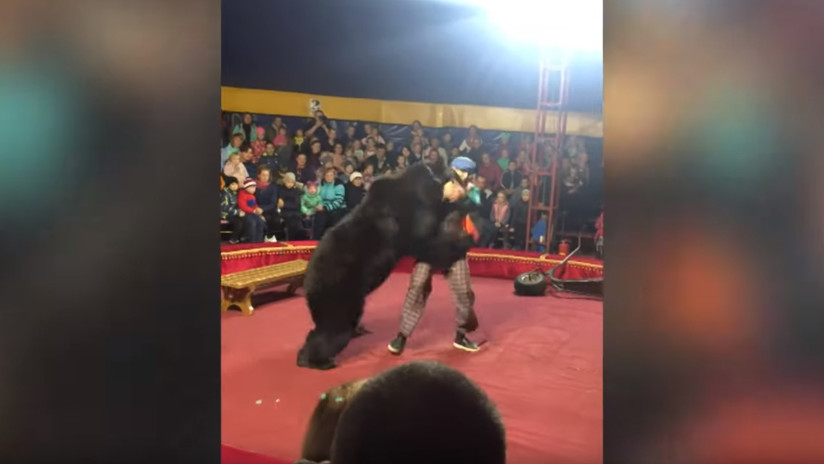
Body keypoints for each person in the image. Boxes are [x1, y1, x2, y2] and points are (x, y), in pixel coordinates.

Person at [388, 156, 482, 356]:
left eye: (466, 172)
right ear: (453, 169)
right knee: (417, 288)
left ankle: (461, 335)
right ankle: (402, 336)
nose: (463, 175)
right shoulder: (437, 185)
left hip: (454, 247)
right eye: (460, 171)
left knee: (464, 292)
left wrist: (464, 194)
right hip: (430, 246)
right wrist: (442, 195)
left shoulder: (472, 190)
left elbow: (475, 206)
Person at [314, 168, 346, 239]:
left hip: (336, 209)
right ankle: (315, 241)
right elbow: (316, 197)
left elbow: (338, 202)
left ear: (334, 176)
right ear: (324, 176)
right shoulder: (321, 185)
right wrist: (318, 205)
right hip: (322, 207)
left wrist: (325, 208)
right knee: (319, 216)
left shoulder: (339, 186)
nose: (329, 177)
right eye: (327, 175)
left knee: (330, 217)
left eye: (331, 175)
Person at [255, 167, 281, 242]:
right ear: (259, 175)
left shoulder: (273, 187)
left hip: (269, 208)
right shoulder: (253, 186)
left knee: (275, 219)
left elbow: (273, 203)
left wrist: (263, 209)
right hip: (256, 208)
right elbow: (252, 200)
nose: (265, 177)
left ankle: (270, 237)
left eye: (267, 175)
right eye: (263, 175)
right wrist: (257, 208)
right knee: (265, 218)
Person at [237, 178, 267, 243]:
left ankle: (259, 241)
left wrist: (257, 209)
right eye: (252, 187)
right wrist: (253, 211)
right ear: (246, 187)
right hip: (246, 213)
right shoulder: (242, 194)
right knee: (252, 222)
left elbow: (254, 205)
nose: (254, 189)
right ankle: (251, 241)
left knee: (260, 222)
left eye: (255, 188)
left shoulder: (252, 196)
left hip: (253, 213)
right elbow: (243, 206)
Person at [278, 172, 305, 240]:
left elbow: (296, 204)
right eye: (288, 182)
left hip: (295, 212)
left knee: (298, 224)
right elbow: (280, 203)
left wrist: (285, 204)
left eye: (291, 182)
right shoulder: (281, 190)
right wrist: (283, 204)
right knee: (290, 223)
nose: (290, 184)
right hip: (285, 212)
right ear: (285, 181)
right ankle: (290, 241)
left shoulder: (296, 191)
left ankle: (298, 242)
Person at [220, 177, 244, 244]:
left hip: (232, 213)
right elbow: (224, 208)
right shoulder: (225, 194)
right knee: (238, 222)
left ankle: (242, 238)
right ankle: (233, 239)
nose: (235, 186)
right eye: (232, 184)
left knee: (245, 219)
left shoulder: (235, 193)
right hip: (225, 214)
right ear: (228, 185)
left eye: (236, 184)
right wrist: (237, 212)